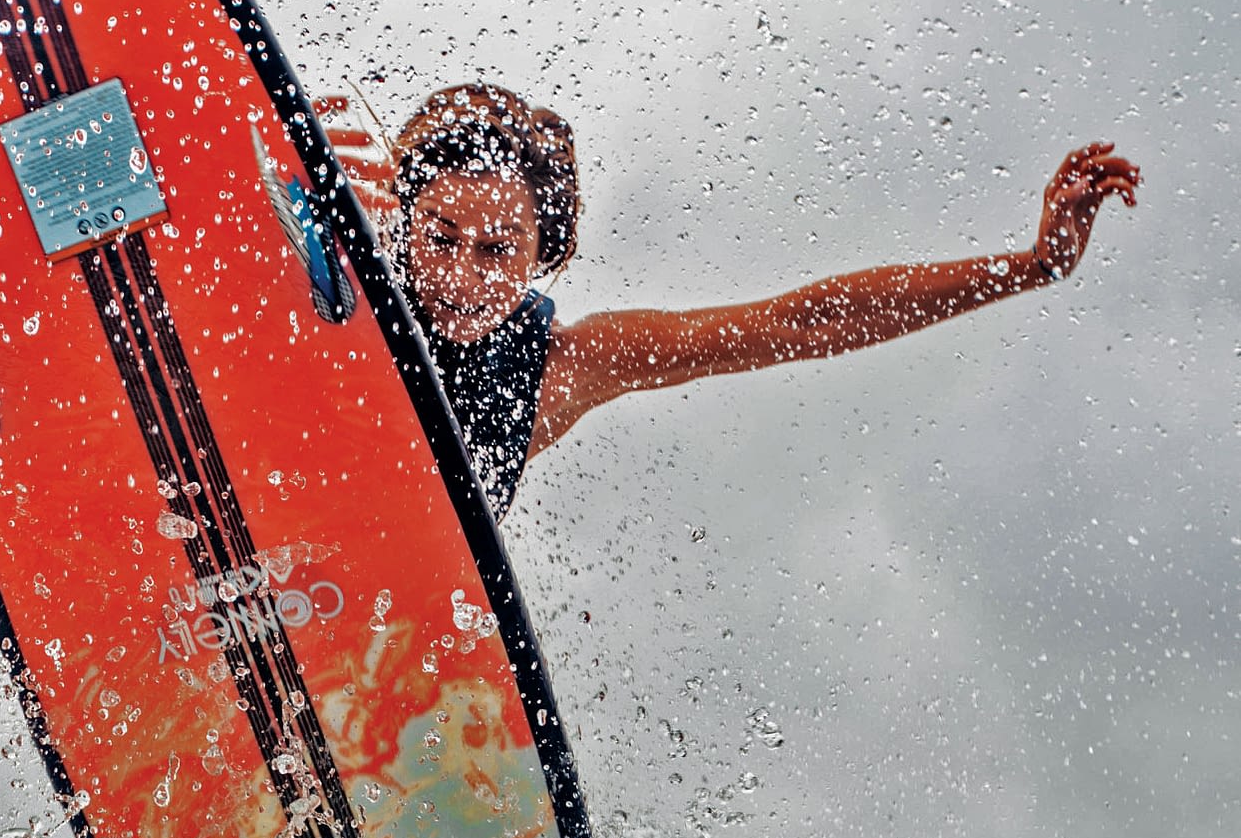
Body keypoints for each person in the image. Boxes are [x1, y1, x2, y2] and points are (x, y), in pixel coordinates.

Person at [326, 84, 1140, 518]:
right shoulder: (334, 253)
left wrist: (1032, 266)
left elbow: (795, 323)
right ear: (403, 210)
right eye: (440, 237)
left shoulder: (558, 370)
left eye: (499, 252)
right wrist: (287, 173)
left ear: (546, 258)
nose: (463, 276)